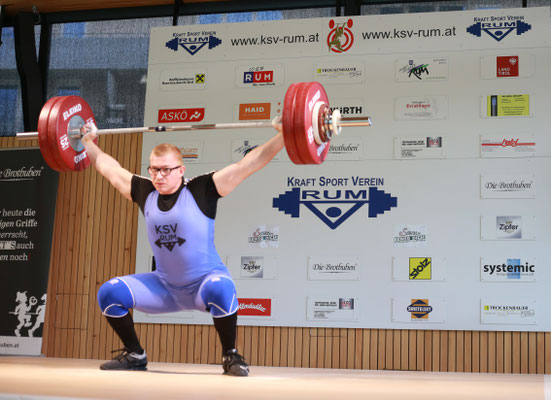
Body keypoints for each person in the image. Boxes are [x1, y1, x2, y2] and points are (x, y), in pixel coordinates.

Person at [80, 117, 284, 376]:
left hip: (203, 284)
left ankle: (230, 356)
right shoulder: (145, 192)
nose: (159, 176)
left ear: (181, 169)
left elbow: (249, 164)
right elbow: (108, 167)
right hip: (165, 288)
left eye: (166, 170)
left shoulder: (202, 190)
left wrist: (284, 136)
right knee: (109, 293)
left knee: (222, 288)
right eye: (154, 169)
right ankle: (135, 354)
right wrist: (86, 142)